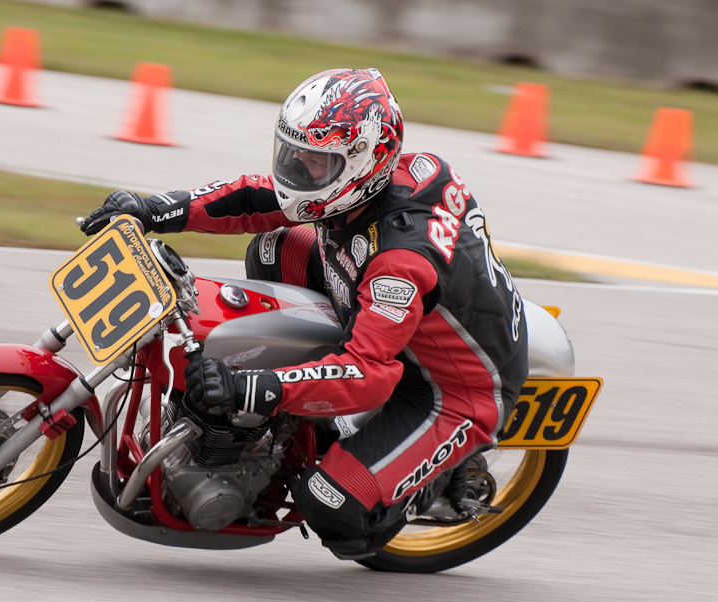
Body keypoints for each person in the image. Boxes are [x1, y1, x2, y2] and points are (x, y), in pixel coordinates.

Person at [80, 68, 528, 560]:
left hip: (452, 388)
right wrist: (153, 209)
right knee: (273, 248)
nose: (296, 169)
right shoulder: (376, 178)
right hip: (375, 299)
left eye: (315, 162)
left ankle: (429, 480)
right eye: (292, 152)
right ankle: (304, 416)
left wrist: (257, 387)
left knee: (331, 506)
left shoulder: (398, 265)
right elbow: (255, 196)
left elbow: (369, 374)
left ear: (361, 165)